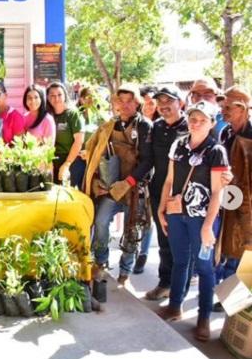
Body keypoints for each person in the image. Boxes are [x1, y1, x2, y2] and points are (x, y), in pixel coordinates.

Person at [156, 101, 228, 342]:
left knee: (205, 268)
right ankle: (175, 305)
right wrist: (161, 208)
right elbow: (169, 180)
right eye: (193, 118)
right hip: (177, 214)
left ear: (211, 123)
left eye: (202, 120)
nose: (196, 123)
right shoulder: (179, 145)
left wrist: (208, 225)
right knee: (180, 260)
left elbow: (218, 192)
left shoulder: (216, 151)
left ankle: (204, 317)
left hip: (202, 219)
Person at [83, 84, 153, 286]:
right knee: (101, 221)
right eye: (120, 100)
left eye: (129, 100)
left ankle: (125, 271)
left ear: (137, 102)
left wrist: (129, 182)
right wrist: (97, 181)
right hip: (111, 189)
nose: (124, 105)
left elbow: (148, 161)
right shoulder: (108, 126)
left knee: (132, 230)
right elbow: (94, 154)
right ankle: (101, 261)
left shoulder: (144, 126)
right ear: (114, 103)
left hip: (134, 188)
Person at [143, 86, 189, 299]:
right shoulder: (156, 127)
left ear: (179, 103)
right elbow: (148, 159)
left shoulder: (192, 126)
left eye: (168, 101)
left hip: (184, 194)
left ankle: (180, 289)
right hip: (158, 191)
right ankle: (165, 282)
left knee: (182, 243)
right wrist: (131, 180)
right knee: (163, 239)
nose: (164, 106)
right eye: (160, 102)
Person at [214, 86, 252, 310]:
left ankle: (235, 302)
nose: (224, 110)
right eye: (223, 105)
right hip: (228, 198)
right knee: (228, 248)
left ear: (242, 109)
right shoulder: (225, 133)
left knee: (245, 250)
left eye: (229, 107)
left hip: (247, 201)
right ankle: (228, 299)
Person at [46, 82, 85, 186]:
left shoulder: (72, 114)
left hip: (71, 160)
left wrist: (67, 164)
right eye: (52, 95)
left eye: (59, 94)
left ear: (65, 95)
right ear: (47, 98)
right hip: (52, 161)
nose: (56, 98)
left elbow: (78, 141)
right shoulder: (47, 116)